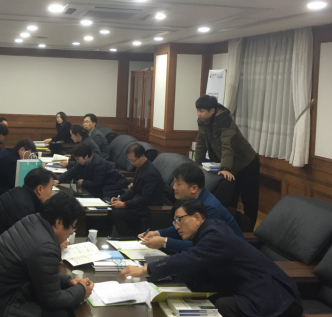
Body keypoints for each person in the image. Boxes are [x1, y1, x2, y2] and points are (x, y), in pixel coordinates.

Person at [120, 199, 302, 317]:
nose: (176, 226)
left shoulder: (215, 235)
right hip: (247, 288)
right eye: (175, 222)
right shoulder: (209, 230)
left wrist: (145, 270)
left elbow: (191, 257)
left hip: (273, 299)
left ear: (197, 217)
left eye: (179, 220)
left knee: (223, 305)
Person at [0, 192, 93, 317]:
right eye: (73, 227)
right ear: (59, 222)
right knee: (61, 313)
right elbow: (52, 301)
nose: (72, 232)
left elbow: (41, 274)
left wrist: (67, 281)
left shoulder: (32, 220)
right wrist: (81, 291)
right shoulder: (46, 247)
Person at [139, 163, 244, 252]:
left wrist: (164, 242)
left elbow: (203, 245)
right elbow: (183, 227)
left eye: (178, 184)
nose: (174, 187)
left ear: (193, 188)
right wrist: (157, 233)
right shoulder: (191, 200)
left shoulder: (209, 208)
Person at [194, 95, 260, 228]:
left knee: (249, 200)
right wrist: (197, 166)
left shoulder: (225, 121)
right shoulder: (203, 121)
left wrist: (225, 168)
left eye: (202, 111)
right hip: (228, 165)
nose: (198, 114)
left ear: (212, 110)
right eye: (197, 110)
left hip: (246, 164)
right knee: (229, 200)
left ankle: (249, 232)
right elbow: (201, 143)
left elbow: (227, 146)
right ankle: (230, 229)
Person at [109, 143, 163, 237]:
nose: (132, 163)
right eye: (129, 160)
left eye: (133, 160)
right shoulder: (140, 167)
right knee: (112, 209)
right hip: (138, 203)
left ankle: (129, 238)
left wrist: (124, 204)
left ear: (142, 156)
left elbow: (145, 198)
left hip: (147, 208)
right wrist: (120, 198)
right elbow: (133, 190)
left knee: (116, 213)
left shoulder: (151, 173)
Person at [56, 143, 127, 200]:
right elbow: (72, 171)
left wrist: (84, 182)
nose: (77, 161)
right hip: (102, 186)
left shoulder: (98, 164)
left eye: (78, 158)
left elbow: (97, 182)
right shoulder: (84, 161)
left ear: (86, 156)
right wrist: (58, 180)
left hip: (112, 187)